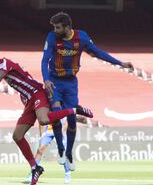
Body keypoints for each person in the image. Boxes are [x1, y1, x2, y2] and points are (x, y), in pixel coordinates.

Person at [0, 52, 80, 185]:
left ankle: (75, 110)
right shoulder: (6, 72)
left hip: (37, 93)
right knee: (17, 136)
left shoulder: (5, 63)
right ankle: (35, 167)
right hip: (30, 101)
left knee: (43, 120)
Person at [41, 12, 134, 171]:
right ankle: (61, 149)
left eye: (58, 27)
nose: (55, 30)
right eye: (54, 27)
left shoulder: (81, 37)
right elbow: (45, 60)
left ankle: (69, 153)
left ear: (67, 27)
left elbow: (98, 53)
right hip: (54, 82)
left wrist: (120, 63)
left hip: (70, 84)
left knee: (71, 118)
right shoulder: (51, 37)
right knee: (56, 114)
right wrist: (46, 79)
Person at [24, 106, 93, 184]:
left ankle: (67, 174)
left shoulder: (62, 105)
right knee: (40, 150)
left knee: (62, 153)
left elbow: (67, 120)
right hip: (48, 131)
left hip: (60, 131)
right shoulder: (46, 105)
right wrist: (41, 135)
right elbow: (41, 121)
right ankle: (33, 173)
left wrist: (62, 131)